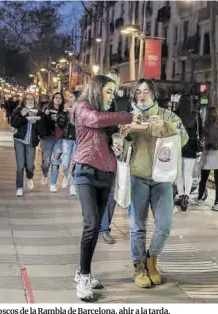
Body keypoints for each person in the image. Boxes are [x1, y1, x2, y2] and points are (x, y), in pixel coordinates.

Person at [72, 75, 136, 301]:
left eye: (114, 92)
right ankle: (84, 277)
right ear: (97, 89)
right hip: (86, 172)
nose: (112, 96)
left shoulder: (108, 118)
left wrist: (117, 143)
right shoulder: (83, 107)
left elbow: (107, 140)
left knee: (97, 225)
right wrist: (129, 115)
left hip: (107, 174)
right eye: (108, 91)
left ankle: (82, 271)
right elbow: (95, 120)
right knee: (90, 224)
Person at [121, 78, 188, 288]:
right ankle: (139, 266)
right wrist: (125, 135)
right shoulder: (129, 117)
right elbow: (119, 146)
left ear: (154, 94)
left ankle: (152, 259)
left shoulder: (168, 115)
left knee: (165, 225)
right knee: (137, 226)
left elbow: (184, 138)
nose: (142, 95)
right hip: (137, 175)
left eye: (147, 91)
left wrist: (165, 126)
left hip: (162, 178)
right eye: (138, 91)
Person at [99, 71, 128, 244]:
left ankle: (104, 228)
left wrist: (123, 132)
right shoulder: (93, 103)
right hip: (95, 155)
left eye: (114, 82)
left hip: (114, 153)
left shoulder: (122, 102)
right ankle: (93, 225)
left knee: (111, 193)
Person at [196, 106, 218, 211]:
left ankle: (200, 199)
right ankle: (217, 203)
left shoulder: (206, 125)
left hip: (207, 154)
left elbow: (201, 139)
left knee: (203, 179)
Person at [10, 93, 43, 197]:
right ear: (24, 101)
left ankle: (29, 176)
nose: (30, 101)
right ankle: (19, 187)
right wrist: (22, 116)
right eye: (27, 99)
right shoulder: (19, 110)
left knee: (29, 164)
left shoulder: (38, 112)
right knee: (20, 166)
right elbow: (13, 123)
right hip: (19, 140)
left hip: (31, 142)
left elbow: (42, 128)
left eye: (31, 99)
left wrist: (37, 122)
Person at [174, 94, 203, 211]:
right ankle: (187, 195)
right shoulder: (196, 114)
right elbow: (201, 132)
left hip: (178, 146)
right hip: (191, 147)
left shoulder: (176, 113)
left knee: (179, 174)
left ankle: (181, 195)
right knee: (188, 173)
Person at [38, 93, 64, 192]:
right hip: (47, 138)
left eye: (60, 98)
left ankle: (53, 183)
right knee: (46, 161)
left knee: (56, 159)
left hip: (59, 138)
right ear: (52, 99)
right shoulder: (46, 109)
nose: (58, 100)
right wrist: (45, 114)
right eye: (56, 97)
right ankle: (45, 174)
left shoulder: (64, 110)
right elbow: (40, 120)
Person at [57, 92, 78, 194]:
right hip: (67, 139)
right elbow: (60, 124)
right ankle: (66, 176)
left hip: (78, 139)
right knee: (65, 163)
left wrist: (77, 113)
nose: (69, 99)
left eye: (72, 97)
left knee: (75, 163)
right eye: (69, 97)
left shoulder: (82, 109)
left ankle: (73, 184)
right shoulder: (66, 108)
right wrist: (65, 112)